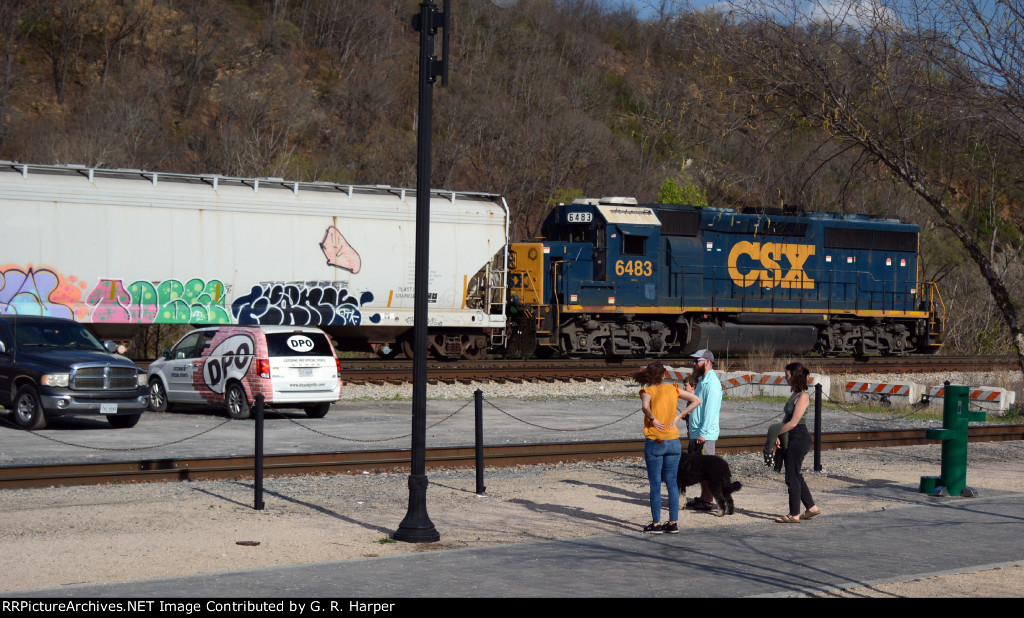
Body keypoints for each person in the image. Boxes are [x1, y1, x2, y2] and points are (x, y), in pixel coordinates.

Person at [634, 361, 701, 534]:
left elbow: (645, 407)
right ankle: (673, 523)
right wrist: (680, 416)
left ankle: (656, 524)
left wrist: (653, 419)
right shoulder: (673, 389)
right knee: (672, 482)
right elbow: (696, 400)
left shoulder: (648, 391)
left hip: (655, 441)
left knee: (655, 483)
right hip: (673, 442)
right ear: (664, 373)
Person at [774, 362, 822, 523]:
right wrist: (779, 435)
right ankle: (811, 508)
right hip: (791, 437)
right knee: (796, 474)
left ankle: (794, 514)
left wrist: (775, 432)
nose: (784, 378)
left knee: (791, 476)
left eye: (786, 375)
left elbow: (794, 422)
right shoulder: (794, 394)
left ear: (794, 376)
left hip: (799, 437)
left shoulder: (803, 396)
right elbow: (786, 419)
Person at [686, 348, 722, 511]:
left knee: (706, 469)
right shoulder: (703, 381)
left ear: (707, 362)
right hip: (697, 432)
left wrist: (703, 433)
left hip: (704, 434)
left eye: (697, 361)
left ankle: (708, 500)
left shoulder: (712, 384)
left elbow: (710, 410)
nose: (694, 364)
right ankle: (704, 497)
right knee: (700, 469)